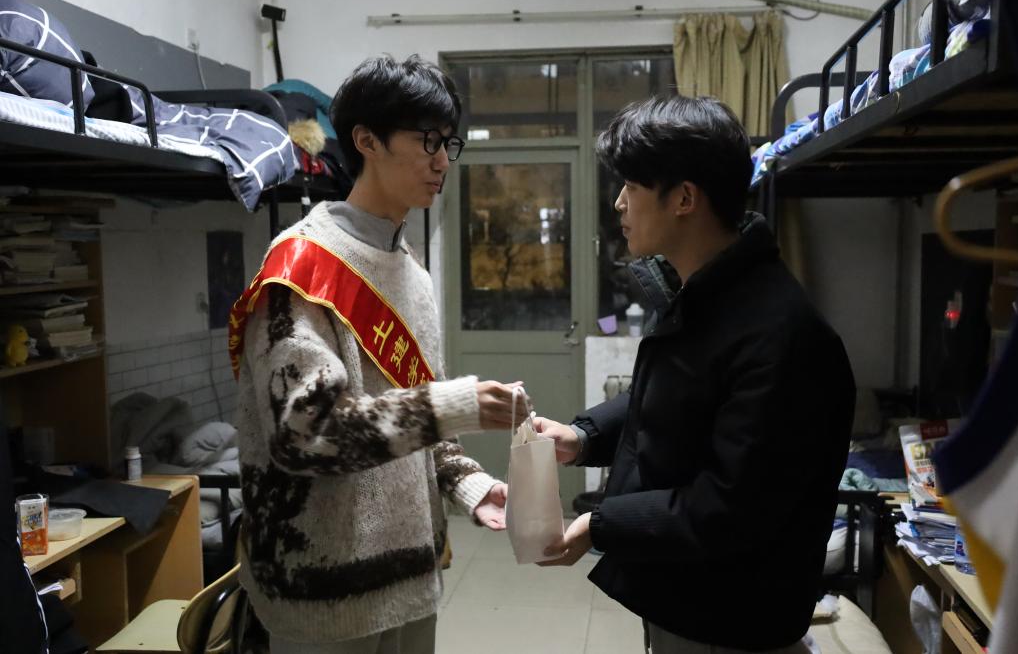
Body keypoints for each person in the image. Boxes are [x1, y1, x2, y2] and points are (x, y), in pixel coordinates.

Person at [534, 95, 856, 653]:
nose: (618, 203)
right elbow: (673, 396)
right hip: (686, 597)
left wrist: (600, 524)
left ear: (684, 198)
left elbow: (729, 508)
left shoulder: (780, 334)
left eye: (631, 186)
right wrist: (583, 437)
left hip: (730, 622)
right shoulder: (707, 293)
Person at [230, 54, 525, 654]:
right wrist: (459, 403)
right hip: (322, 593)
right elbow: (306, 435)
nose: (442, 161)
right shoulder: (300, 268)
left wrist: (468, 484)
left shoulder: (412, 271)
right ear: (366, 140)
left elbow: (417, 420)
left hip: (413, 576)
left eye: (449, 143)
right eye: (427, 141)